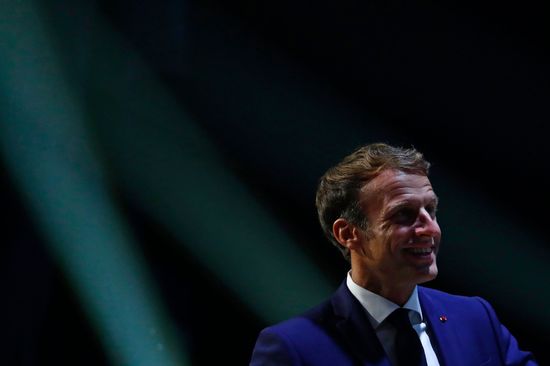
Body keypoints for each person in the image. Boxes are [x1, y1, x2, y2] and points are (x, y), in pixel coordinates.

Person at [250, 143, 536, 365]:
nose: (430, 228)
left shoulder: (475, 318)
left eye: (431, 210)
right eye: (404, 214)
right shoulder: (293, 348)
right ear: (348, 234)